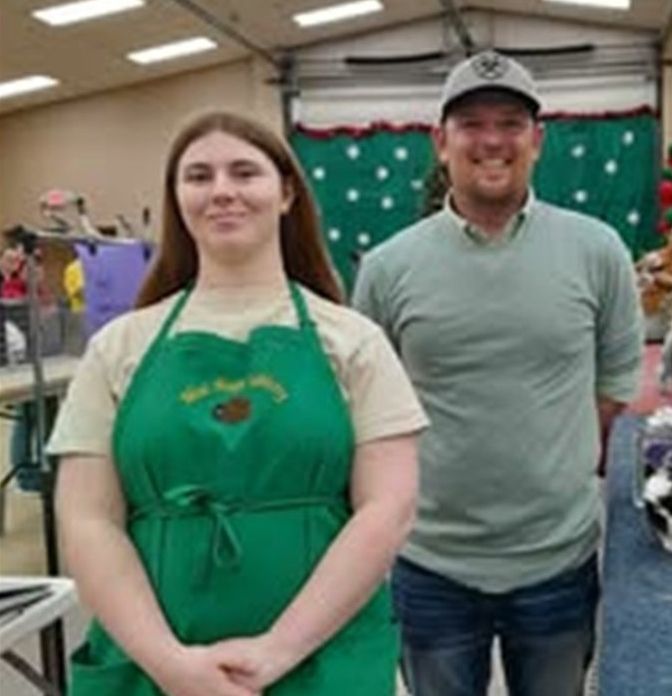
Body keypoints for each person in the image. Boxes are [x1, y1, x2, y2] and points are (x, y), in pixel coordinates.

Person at [48, 111, 428, 695]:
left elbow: (388, 509)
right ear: (177, 199)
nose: (222, 190)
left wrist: (276, 652)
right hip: (157, 666)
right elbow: (87, 519)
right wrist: (171, 665)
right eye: (198, 176)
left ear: (286, 194)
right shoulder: (118, 348)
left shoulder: (353, 342)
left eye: (244, 172)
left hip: (324, 662)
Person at [353, 50, 644, 696]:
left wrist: (548, 467)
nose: (491, 141)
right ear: (440, 142)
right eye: (471, 124)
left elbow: (613, 387)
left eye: (510, 123)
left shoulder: (597, 251)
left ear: (537, 140)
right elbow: (369, 409)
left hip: (559, 565)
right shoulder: (387, 268)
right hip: (429, 567)